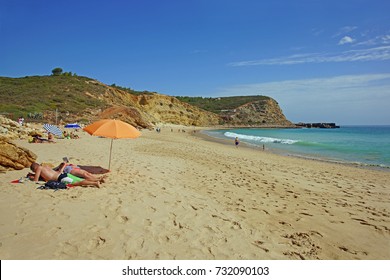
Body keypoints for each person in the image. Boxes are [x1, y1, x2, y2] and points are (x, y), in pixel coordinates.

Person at [30, 162, 104, 188]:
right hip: (63, 174)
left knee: (79, 182)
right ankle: (98, 179)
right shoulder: (45, 166)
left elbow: (36, 180)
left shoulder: (39, 168)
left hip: (60, 178)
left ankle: (95, 183)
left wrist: (32, 176)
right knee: (80, 179)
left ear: (34, 169)